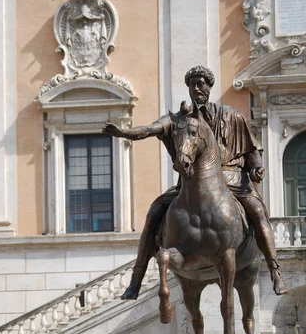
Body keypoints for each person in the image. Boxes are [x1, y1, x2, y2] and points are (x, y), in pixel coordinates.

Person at [102, 65, 288, 299]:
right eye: (192, 84)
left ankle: (275, 270)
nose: (197, 88)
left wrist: (257, 166)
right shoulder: (180, 120)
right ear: (188, 89)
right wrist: (124, 133)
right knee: (153, 215)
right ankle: (136, 279)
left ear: (209, 87)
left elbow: (252, 150)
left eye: (201, 83)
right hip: (189, 185)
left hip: (231, 178)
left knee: (258, 211)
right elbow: (151, 129)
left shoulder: (231, 115)